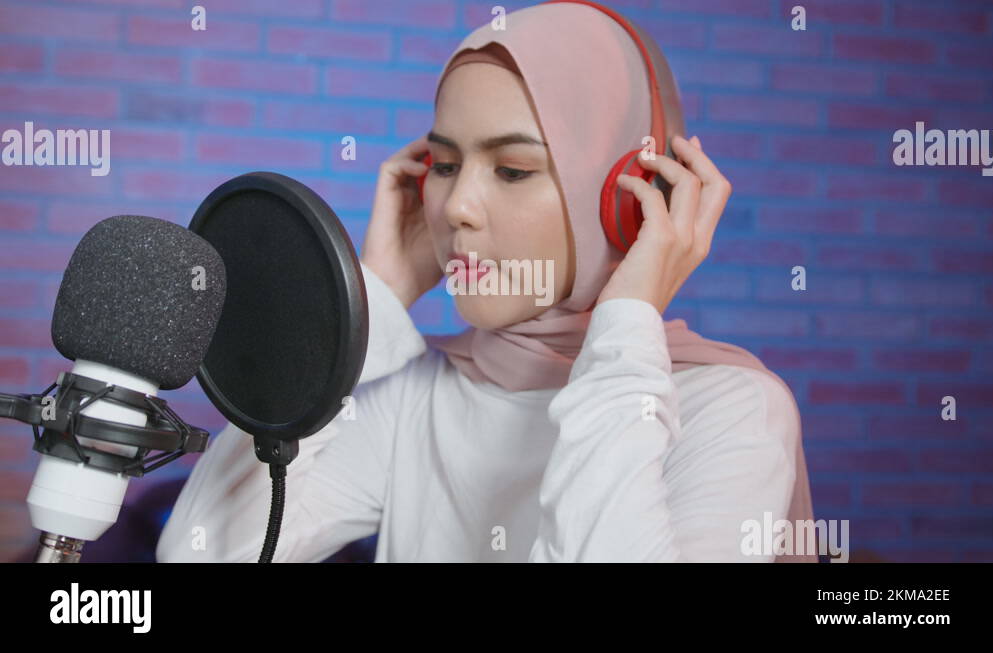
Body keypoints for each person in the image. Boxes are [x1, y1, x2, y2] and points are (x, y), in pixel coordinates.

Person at [156, 1, 817, 563]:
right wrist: (371, 301)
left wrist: (623, 325)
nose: (455, 207)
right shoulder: (413, 396)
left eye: (513, 170)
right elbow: (197, 550)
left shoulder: (732, 408)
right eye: (443, 164)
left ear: (629, 197)